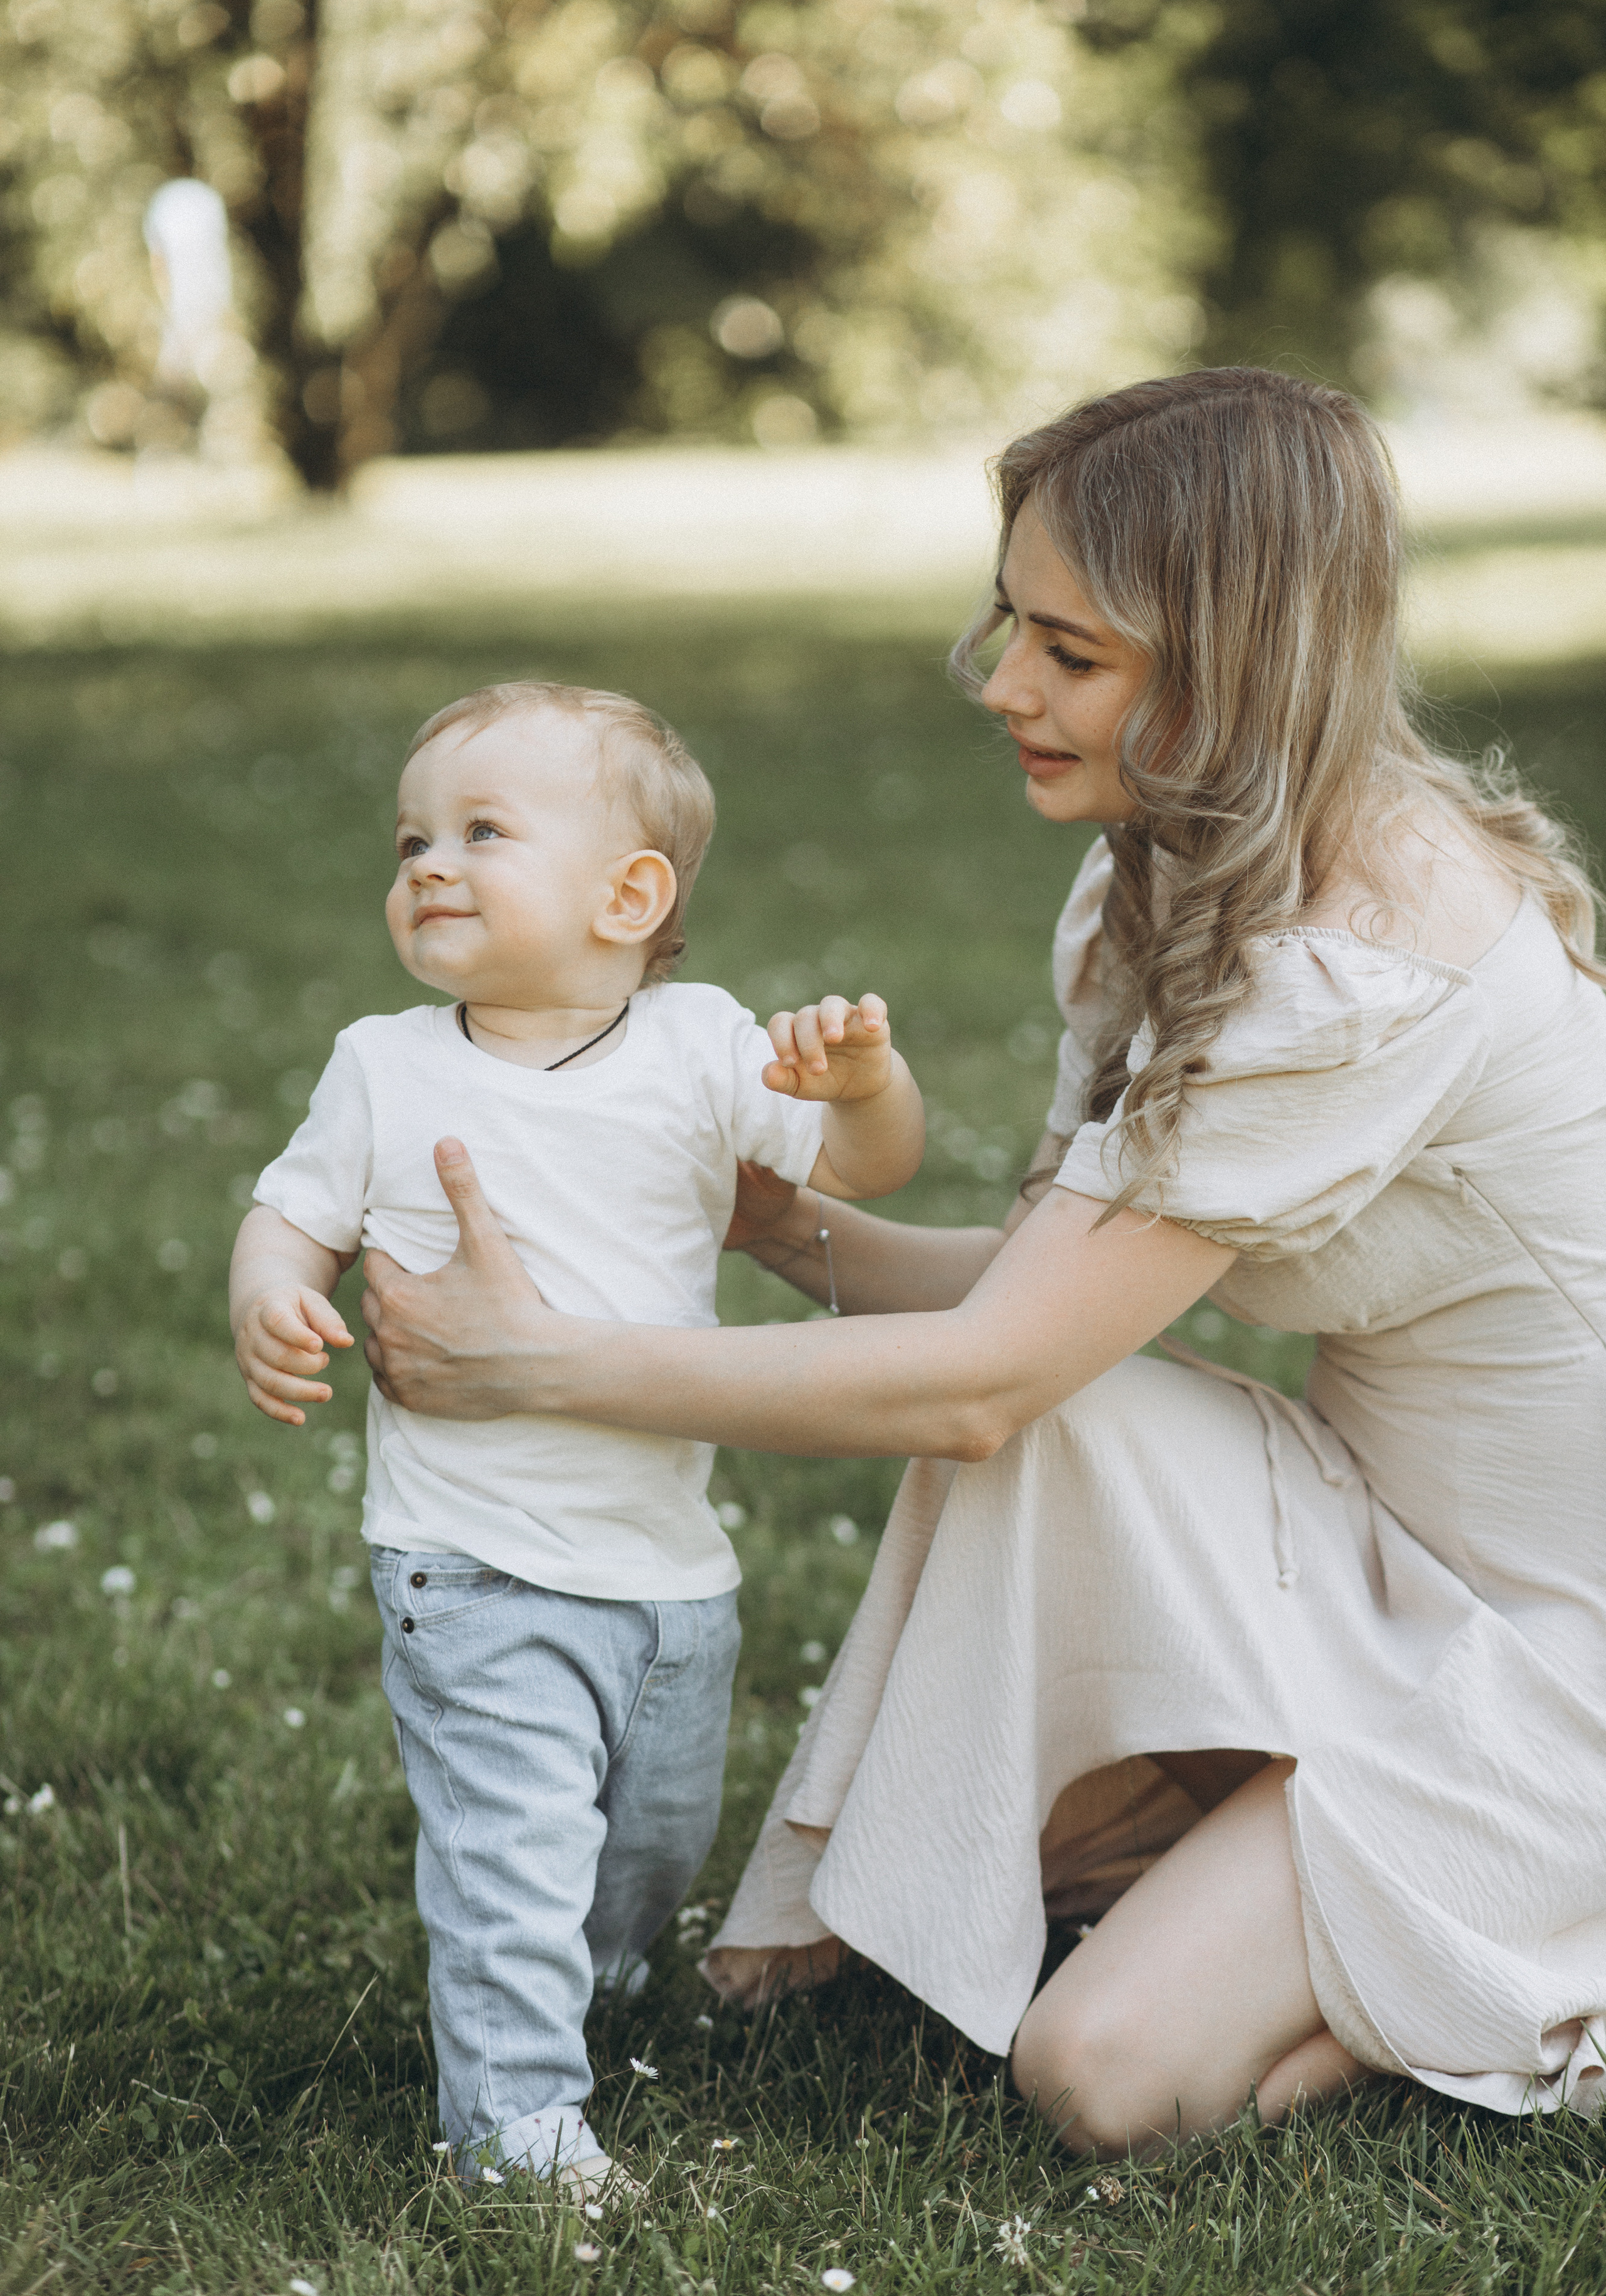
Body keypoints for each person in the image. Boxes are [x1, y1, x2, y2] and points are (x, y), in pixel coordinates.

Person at [356, 373, 1606, 2157]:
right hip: (1375, 1546)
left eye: (1073, 653)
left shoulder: (1364, 961)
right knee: (1062, 1442)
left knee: (1098, 2074)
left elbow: (974, 1379)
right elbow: (1031, 1291)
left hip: (1566, 1659)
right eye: (1013, 621)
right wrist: (773, 1216)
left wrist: (531, 1363)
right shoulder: (1161, 880)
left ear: (1243, 663)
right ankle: (1263, 1840)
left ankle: (1507, 1957)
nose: (1005, 684)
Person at [228, 680, 925, 2195]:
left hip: (669, 1569)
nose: (425, 862)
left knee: (650, 1849)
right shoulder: (385, 1063)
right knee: (514, 1854)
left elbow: (862, 1167)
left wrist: (860, 1087)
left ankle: (594, 1989)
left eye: (482, 831)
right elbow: (293, 1210)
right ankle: (515, 2124)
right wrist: (273, 1294)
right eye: (411, 836)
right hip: (469, 1563)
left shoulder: (697, 1046)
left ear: (630, 896)